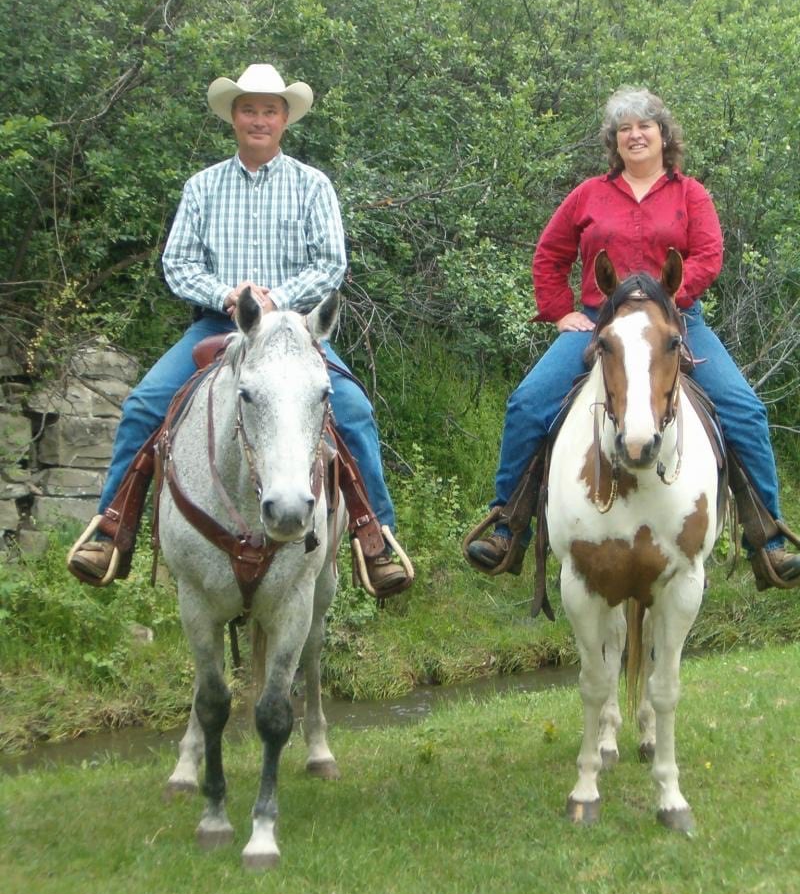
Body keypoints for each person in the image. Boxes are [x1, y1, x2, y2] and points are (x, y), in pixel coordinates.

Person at [68, 63, 412, 598]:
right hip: (217, 327)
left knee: (354, 411)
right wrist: (226, 294)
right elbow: (178, 264)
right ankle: (113, 528)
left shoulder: (312, 185)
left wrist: (278, 298)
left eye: (269, 110)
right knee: (143, 406)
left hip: (296, 332)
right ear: (234, 116)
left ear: (284, 119)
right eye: (249, 109)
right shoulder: (202, 186)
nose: (259, 119)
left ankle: (374, 535)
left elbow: (330, 263)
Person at [466, 85, 800, 587]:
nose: (635, 135)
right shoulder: (588, 195)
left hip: (678, 322)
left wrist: (669, 303)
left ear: (664, 135)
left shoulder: (691, 194)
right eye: (624, 129)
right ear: (614, 141)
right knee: (528, 403)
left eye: (644, 126)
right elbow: (549, 255)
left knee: (744, 409)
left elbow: (709, 256)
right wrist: (560, 313)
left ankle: (767, 538)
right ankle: (508, 525)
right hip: (603, 324)